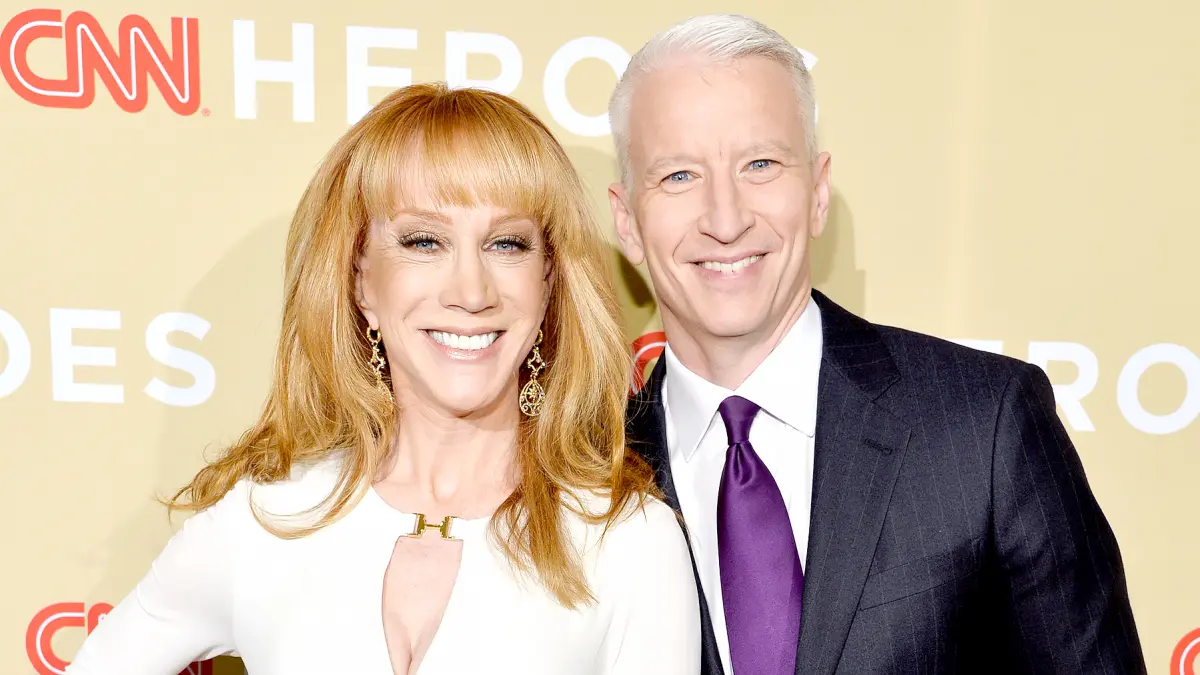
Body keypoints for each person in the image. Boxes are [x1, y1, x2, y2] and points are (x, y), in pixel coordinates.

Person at [67, 83, 700, 675]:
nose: (471, 291)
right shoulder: (268, 517)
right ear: (361, 280)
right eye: (424, 242)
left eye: (507, 244)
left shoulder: (627, 542)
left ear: (549, 283)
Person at [609, 14, 1145, 675]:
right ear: (627, 222)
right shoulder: (584, 473)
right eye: (679, 176)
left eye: (760, 164)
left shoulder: (985, 424)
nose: (726, 218)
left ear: (818, 192)